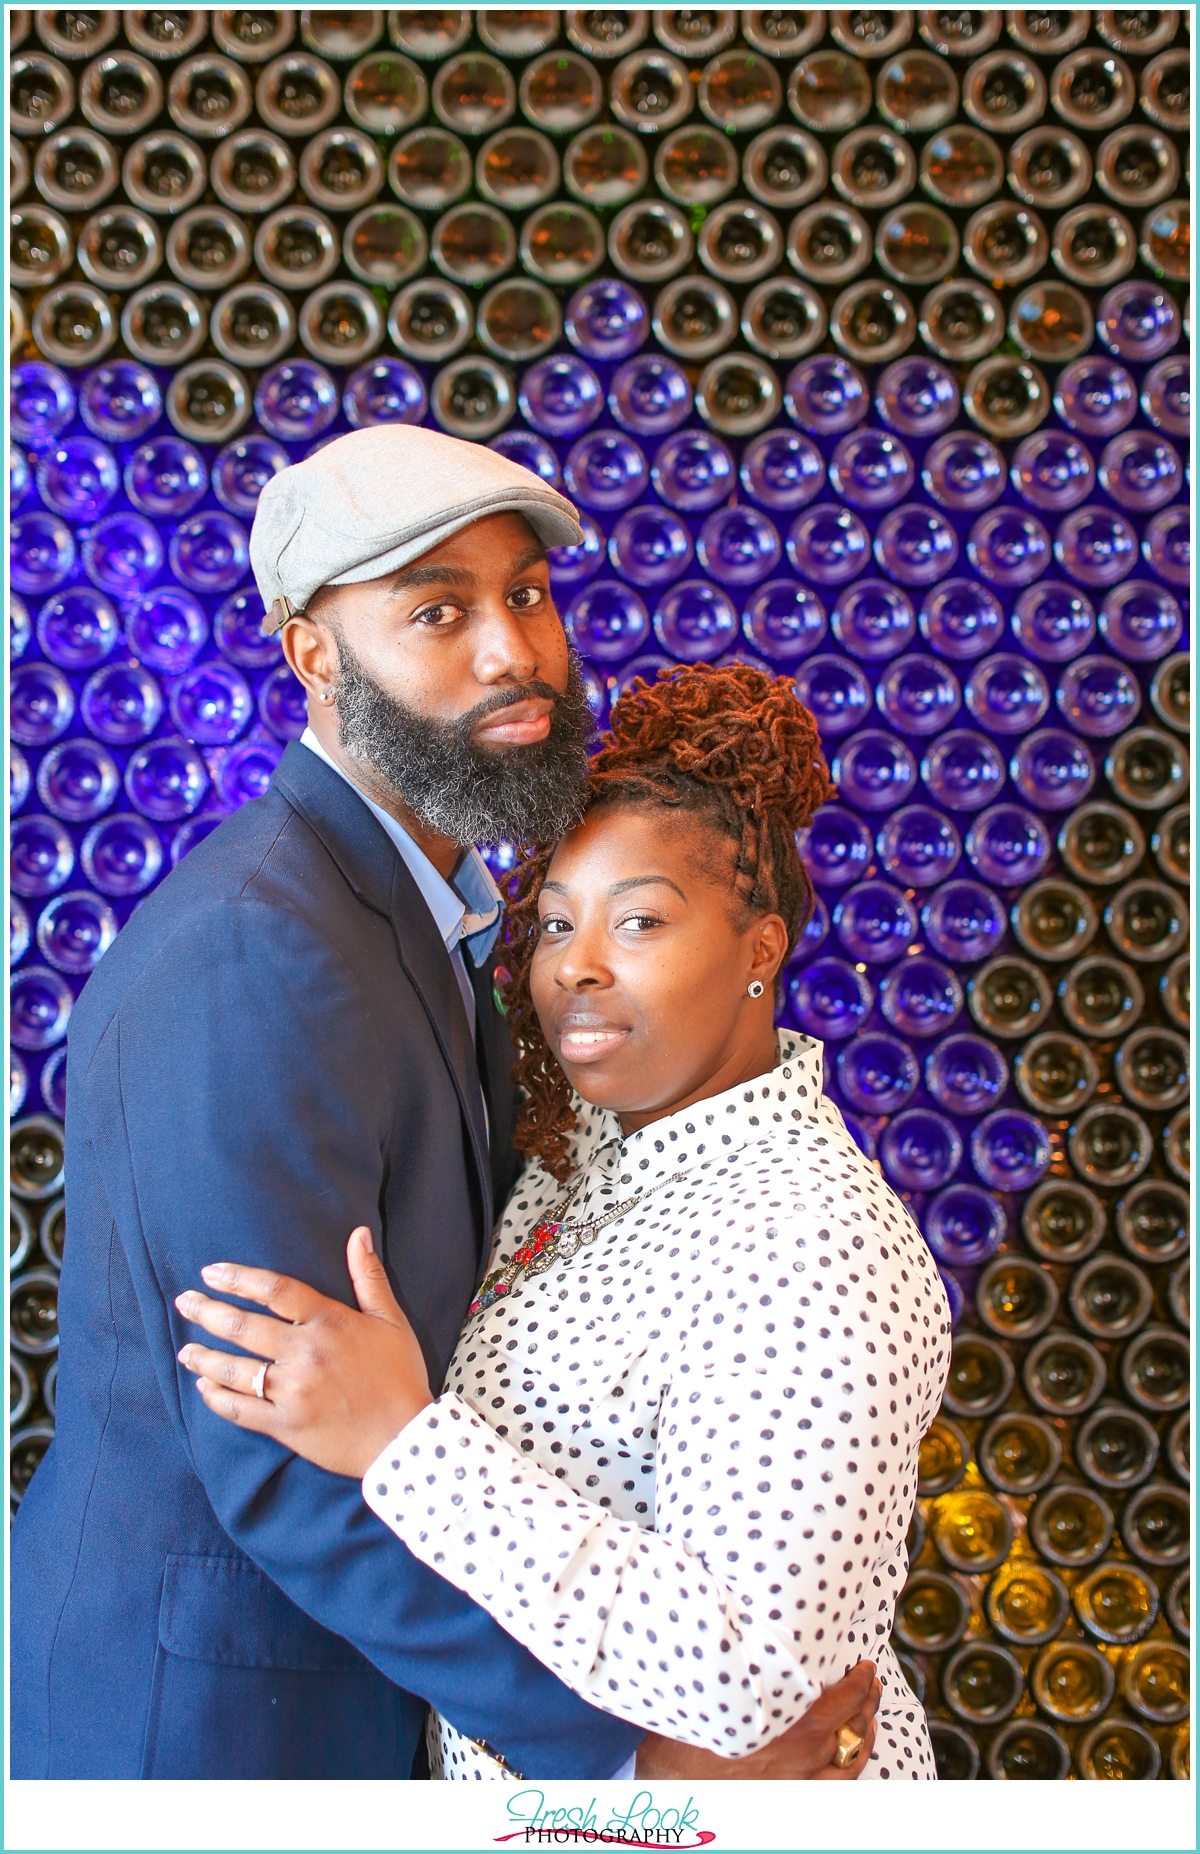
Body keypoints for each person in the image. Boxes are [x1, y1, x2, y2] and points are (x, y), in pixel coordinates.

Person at [11, 428, 877, 1781]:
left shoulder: (445, 915)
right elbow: (278, 1447)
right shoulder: (264, 946)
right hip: (216, 1726)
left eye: (526, 592)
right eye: (438, 609)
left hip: (360, 1696)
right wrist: (631, 1760)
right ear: (313, 653)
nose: (512, 652)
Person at [176, 660, 952, 1781]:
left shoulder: (811, 1243)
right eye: (553, 926)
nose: (576, 967)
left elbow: (745, 1674)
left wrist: (402, 1444)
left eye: (640, 922)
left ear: (761, 949)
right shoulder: (578, 1157)